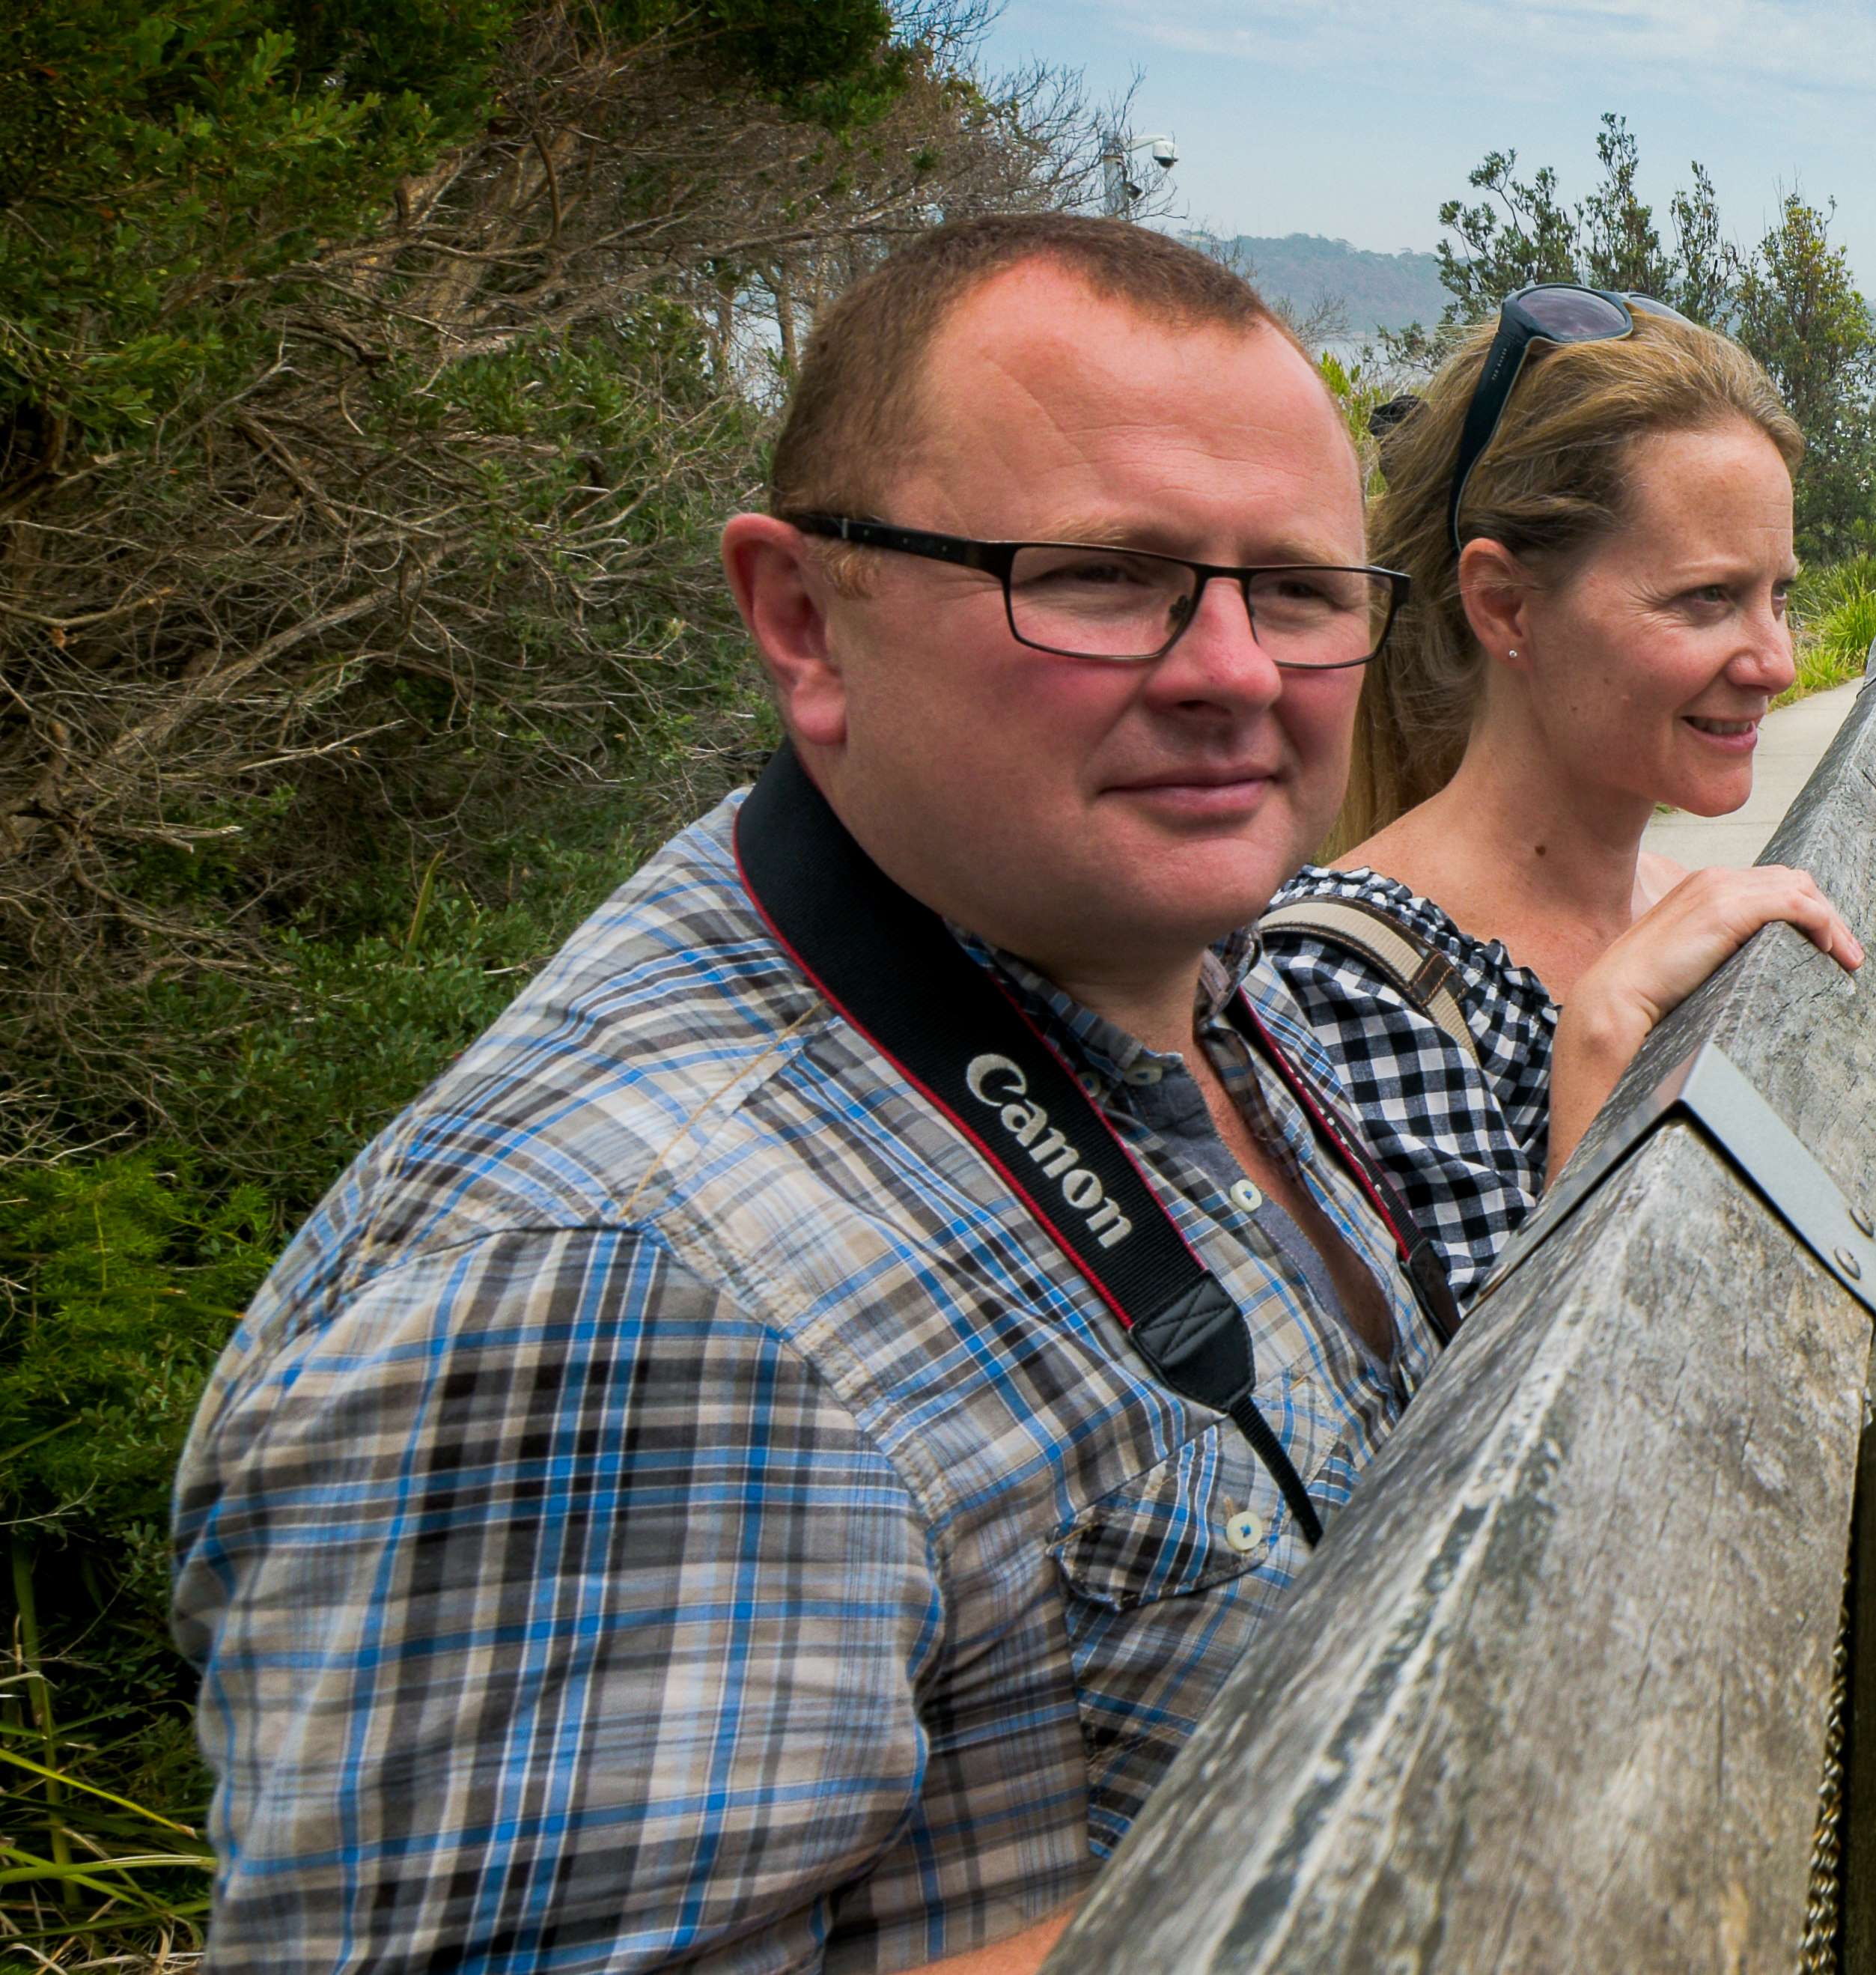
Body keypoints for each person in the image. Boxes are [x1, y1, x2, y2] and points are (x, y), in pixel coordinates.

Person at [171, 215, 1437, 1973]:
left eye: (1297, 590)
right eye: (1092, 573)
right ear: (802, 618)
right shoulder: (619, 1275)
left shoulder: (1181, 986)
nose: (1231, 669)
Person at [1251, 289, 1860, 1314]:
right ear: (1504, 604)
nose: (1780, 662)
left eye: (1780, 594)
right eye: (1707, 598)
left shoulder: (1684, 909)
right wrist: (1601, 1042)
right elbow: (1479, 1442)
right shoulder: (1346, 991)